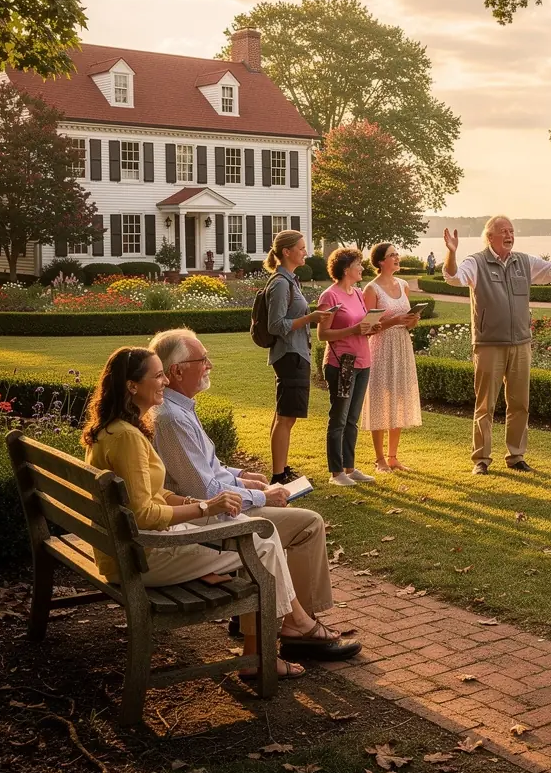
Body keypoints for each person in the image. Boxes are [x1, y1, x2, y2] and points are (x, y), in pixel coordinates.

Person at [82, 347, 350, 680]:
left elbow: (150, 495)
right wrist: (207, 507)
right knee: (262, 542)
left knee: (251, 532)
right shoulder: (128, 437)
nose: (164, 380)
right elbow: (146, 515)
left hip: (126, 549)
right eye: (158, 375)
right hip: (140, 559)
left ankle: (281, 634)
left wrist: (197, 503)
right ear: (132, 386)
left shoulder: (115, 429)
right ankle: (262, 656)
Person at [149, 328, 360, 661]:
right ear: (176, 371)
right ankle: (296, 625)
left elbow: (208, 469)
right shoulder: (172, 417)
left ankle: (288, 618)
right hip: (206, 521)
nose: (209, 365)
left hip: (209, 511)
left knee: (295, 524)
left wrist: (243, 476)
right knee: (307, 525)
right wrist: (264, 497)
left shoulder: (180, 408)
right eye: (202, 359)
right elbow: (203, 491)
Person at [443, 215, 551, 474]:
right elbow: (453, 277)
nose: (509, 235)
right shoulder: (476, 262)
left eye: (511, 230)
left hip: (521, 344)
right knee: (486, 405)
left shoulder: (523, 262)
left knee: (520, 404)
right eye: (503, 231)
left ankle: (516, 456)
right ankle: (481, 460)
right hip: (489, 344)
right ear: (490, 237)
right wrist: (451, 253)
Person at [264, 229, 332, 486]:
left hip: (296, 352)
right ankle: (278, 476)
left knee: (284, 414)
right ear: (286, 252)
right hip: (290, 355)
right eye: (302, 248)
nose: (305, 252)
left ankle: (280, 470)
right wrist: (310, 318)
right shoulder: (281, 284)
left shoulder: (290, 280)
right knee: (286, 417)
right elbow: (276, 325)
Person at [317, 247, 378, 485]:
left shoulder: (358, 293)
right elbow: (323, 334)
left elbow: (362, 325)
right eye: (358, 264)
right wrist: (353, 330)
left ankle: (350, 468)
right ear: (346, 269)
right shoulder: (329, 296)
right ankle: (336, 473)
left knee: (352, 418)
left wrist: (372, 327)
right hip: (341, 364)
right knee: (339, 418)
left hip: (363, 361)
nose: (362, 268)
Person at [362, 243, 422, 472]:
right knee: (379, 399)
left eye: (397, 254)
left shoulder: (404, 285)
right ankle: (379, 459)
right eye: (392, 255)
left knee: (398, 398)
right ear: (380, 262)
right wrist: (394, 321)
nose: (397, 257)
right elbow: (367, 327)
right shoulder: (372, 289)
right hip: (380, 346)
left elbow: (408, 319)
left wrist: (412, 320)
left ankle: (393, 456)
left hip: (401, 344)